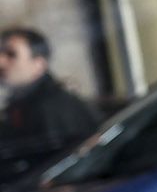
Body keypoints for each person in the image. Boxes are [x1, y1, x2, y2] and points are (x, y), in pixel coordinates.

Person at [0, 26, 99, 183]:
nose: (1, 61)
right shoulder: (20, 106)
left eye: (11, 55)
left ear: (38, 64)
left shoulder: (54, 108)